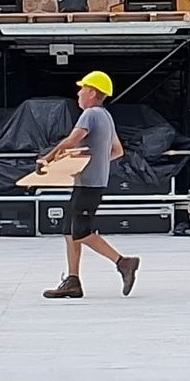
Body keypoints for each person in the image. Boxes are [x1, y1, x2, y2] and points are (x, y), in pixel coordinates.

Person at [40, 70, 140, 299]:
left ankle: (123, 262)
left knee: (81, 232)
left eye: (82, 89)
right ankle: (73, 281)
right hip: (91, 183)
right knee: (69, 231)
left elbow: (72, 140)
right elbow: (117, 151)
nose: (78, 93)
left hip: (88, 185)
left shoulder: (90, 114)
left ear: (93, 92)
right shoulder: (106, 116)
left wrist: (47, 158)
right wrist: (92, 162)